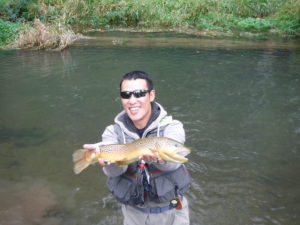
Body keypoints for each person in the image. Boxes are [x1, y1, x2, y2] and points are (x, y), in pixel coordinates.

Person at [84, 71, 191, 225]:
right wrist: (107, 158)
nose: (132, 100)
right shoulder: (111, 132)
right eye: (126, 95)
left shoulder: (172, 127)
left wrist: (160, 160)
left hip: (173, 211)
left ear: (151, 95)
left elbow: (173, 164)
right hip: (134, 216)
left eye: (139, 93)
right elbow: (114, 172)